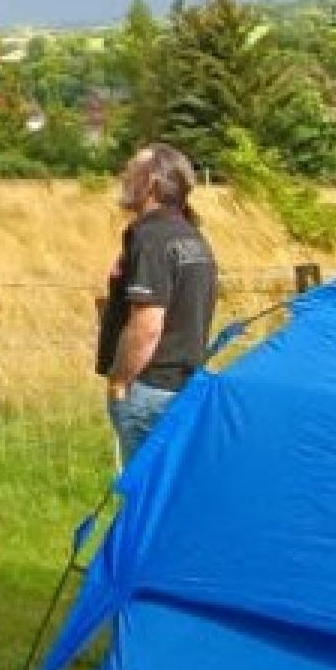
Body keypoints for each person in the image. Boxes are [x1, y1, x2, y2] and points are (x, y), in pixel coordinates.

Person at [95, 142, 216, 461]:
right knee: (174, 494)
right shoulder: (192, 236)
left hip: (148, 390)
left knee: (145, 497)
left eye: (130, 170)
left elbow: (147, 324)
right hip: (185, 386)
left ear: (150, 182)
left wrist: (120, 380)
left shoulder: (150, 238)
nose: (123, 177)